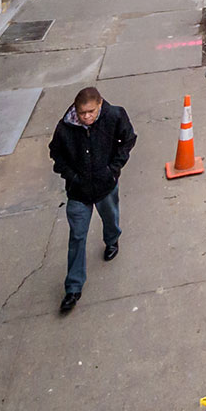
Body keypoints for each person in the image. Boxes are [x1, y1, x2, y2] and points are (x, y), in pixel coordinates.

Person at [48, 87, 137, 313]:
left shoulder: (115, 116)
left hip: (105, 186)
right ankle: (73, 288)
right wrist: (73, 176)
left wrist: (113, 169)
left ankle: (112, 239)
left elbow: (128, 139)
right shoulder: (65, 128)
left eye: (90, 112)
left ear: (100, 105)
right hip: (78, 192)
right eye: (81, 113)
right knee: (77, 236)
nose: (86, 117)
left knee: (109, 216)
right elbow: (56, 155)